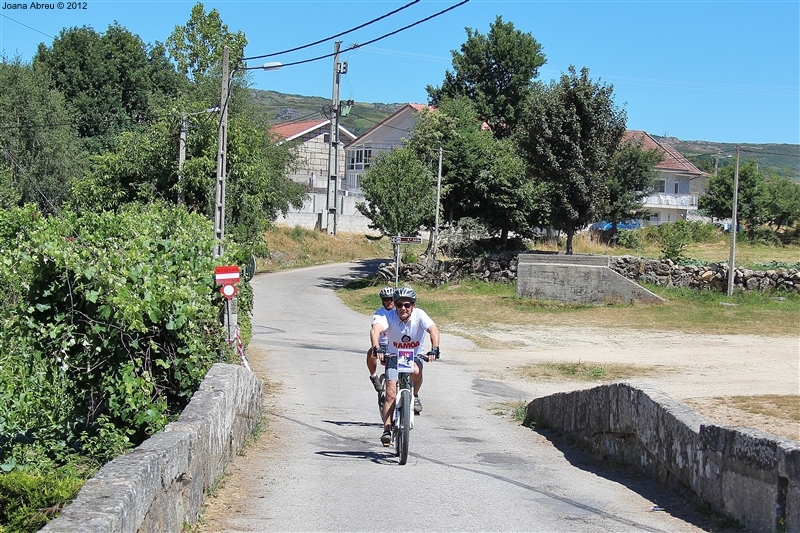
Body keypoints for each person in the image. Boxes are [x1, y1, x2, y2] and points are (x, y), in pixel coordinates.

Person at [370, 286, 440, 446]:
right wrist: (376, 347)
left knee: (416, 371)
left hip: (413, 356)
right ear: (395, 305)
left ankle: (414, 395)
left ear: (413, 306)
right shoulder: (389, 316)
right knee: (390, 394)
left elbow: (434, 329)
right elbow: (376, 330)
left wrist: (435, 348)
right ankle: (386, 430)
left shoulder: (419, 315)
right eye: (399, 304)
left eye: (407, 305)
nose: (403, 308)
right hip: (394, 355)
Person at [367, 286, 395, 392]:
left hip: (397, 344)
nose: (389, 301)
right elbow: (374, 330)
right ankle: (374, 377)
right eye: (386, 299)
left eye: (391, 299)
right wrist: (376, 347)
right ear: (382, 301)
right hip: (383, 345)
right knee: (371, 353)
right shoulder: (379, 313)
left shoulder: (400, 311)